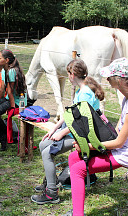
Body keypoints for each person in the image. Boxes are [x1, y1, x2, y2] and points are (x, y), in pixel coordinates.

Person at [50, 57, 128, 216]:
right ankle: (77, 214)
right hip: (122, 148)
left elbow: (119, 142)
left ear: (119, 80)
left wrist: (88, 145)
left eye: (110, 76)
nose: (107, 80)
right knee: (74, 157)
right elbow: (118, 132)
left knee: (79, 169)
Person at [31, 59, 105, 205]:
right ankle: (50, 181)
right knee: (42, 144)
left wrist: (61, 133)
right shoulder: (80, 90)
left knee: (47, 152)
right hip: (73, 130)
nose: (68, 76)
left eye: (68, 73)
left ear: (72, 75)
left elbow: (82, 121)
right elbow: (70, 114)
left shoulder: (85, 94)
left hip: (82, 136)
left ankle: (52, 193)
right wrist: (54, 128)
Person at [0, 49, 27, 151]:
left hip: (16, 102)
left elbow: (10, 91)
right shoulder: (4, 70)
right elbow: (4, 89)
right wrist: (0, 101)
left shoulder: (12, 71)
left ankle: (4, 136)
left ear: (7, 60)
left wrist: (12, 107)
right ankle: (4, 134)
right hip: (8, 98)